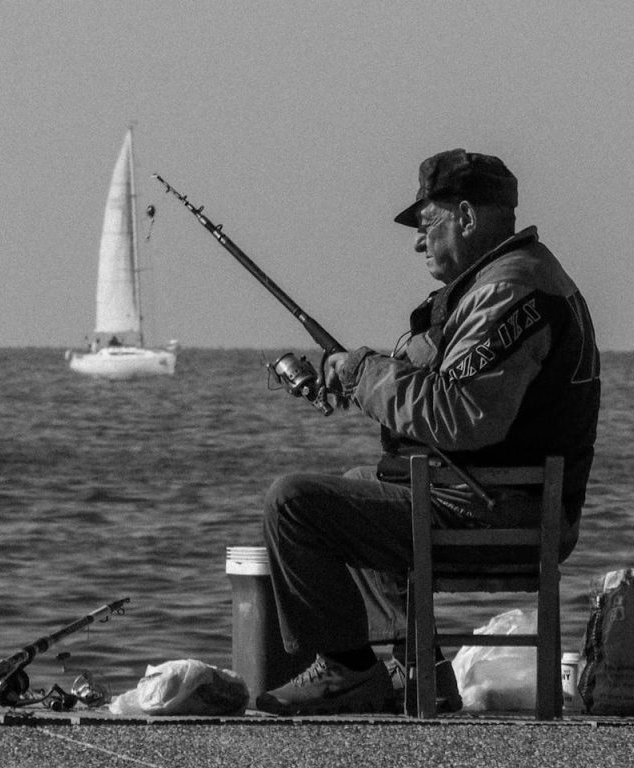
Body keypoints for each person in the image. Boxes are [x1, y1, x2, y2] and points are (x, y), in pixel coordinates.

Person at [256, 148, 601, 716]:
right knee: (359, 484)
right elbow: (434, 365)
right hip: (501, 499)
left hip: (496, 510)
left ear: (465, 218)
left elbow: (459, 413)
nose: (420, 243)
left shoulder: (511, 292)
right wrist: (354, 371)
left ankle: (347, 673)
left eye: (427, 224)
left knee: (293, 504)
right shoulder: (508, 281)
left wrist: (364, 371)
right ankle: (418, 671)